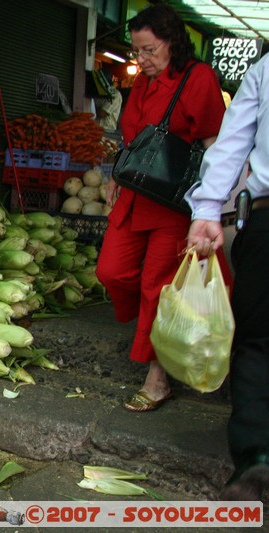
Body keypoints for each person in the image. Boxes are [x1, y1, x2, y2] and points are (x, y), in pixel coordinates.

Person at [95, 4, 228, 412]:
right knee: (111, 271)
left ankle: (158, 377)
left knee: (159, 285)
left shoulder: (198, 77)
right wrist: (115, 174)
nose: (142, 60)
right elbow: (133, 140)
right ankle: (158, 335)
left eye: (149, 50)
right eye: (137, 51)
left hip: (174, 202)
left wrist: (212, 204)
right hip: (135, 195)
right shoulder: (142, 82)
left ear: (172, 42)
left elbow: (214, 143)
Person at [186, 53, 269, 501]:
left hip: (267, 219)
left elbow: (232, 142)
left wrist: (206, 208)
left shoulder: (265, 69)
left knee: (259, 344)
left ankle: (258, 458)